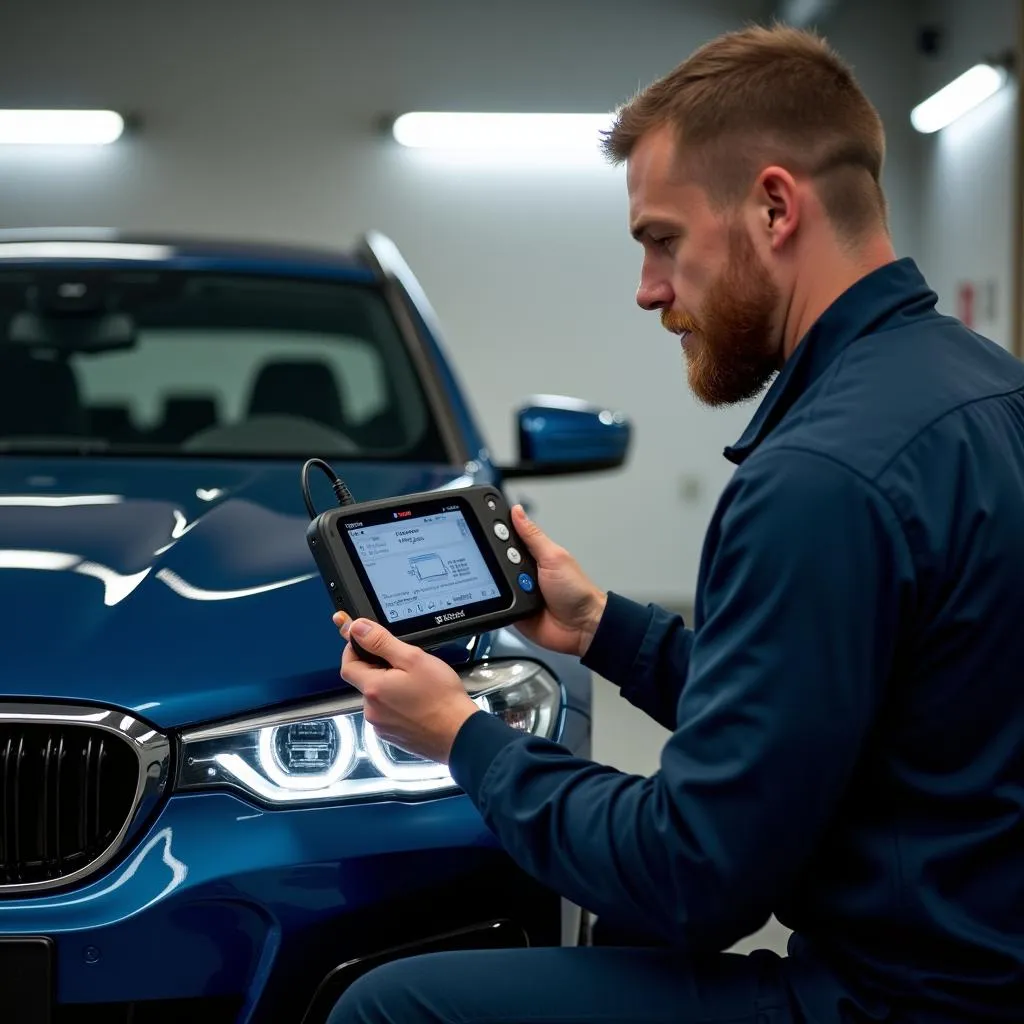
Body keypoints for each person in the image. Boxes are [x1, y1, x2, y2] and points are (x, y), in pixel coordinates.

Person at [328, 23, 1024, 1024]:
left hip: (893, 1000)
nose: (649, 288)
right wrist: (604, 628)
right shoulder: (984, 386)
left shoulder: (819, 476)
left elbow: (690, 875)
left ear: (775, 206)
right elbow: (824, 711)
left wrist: (464, 738)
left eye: (661, 239)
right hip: (977, 961)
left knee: (391, 1005)